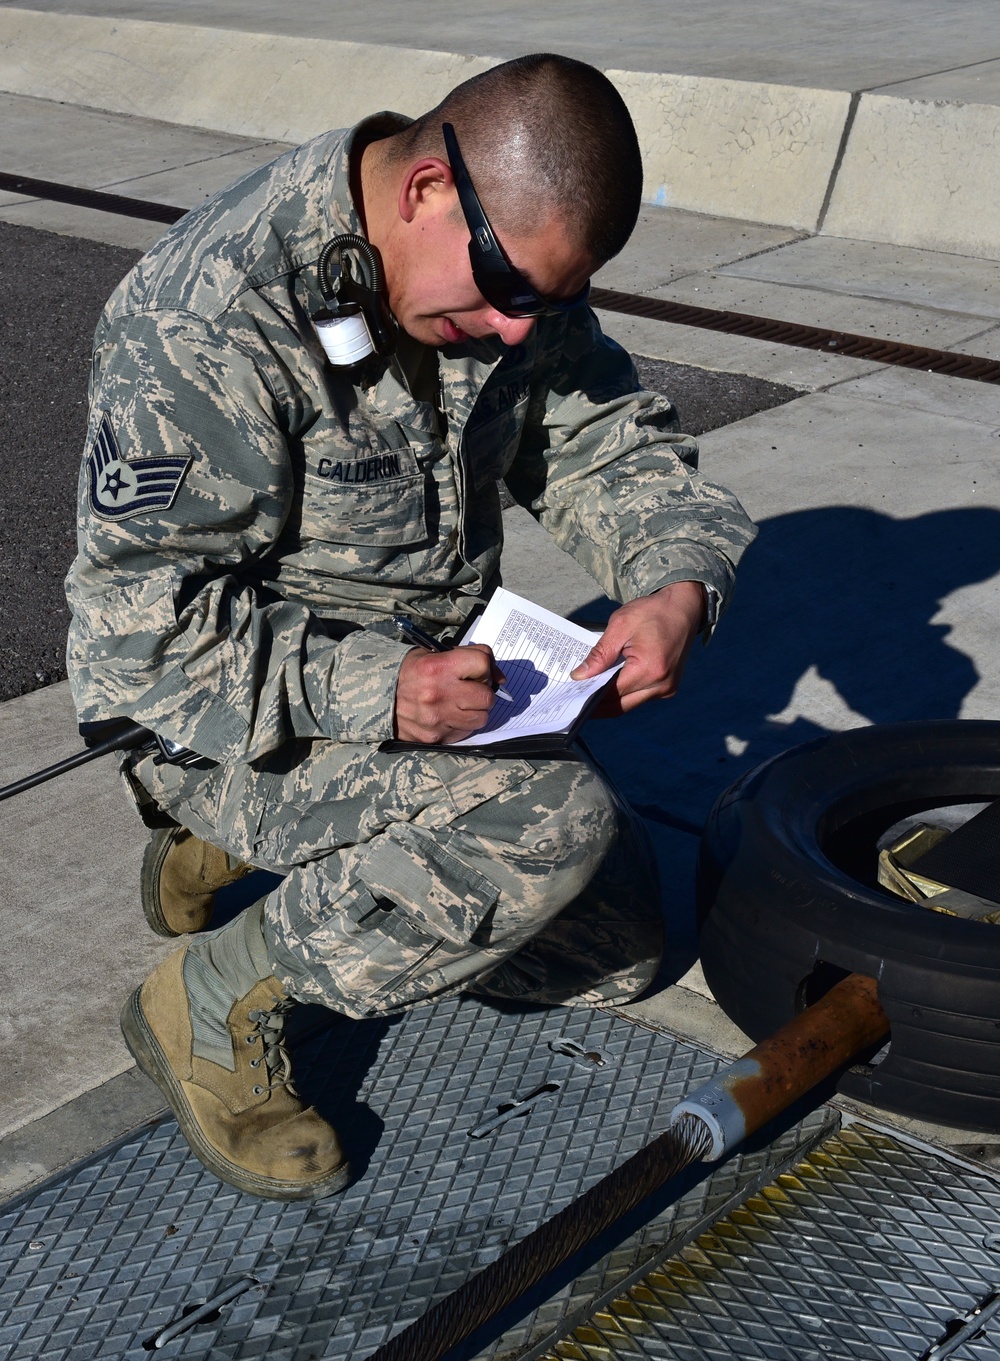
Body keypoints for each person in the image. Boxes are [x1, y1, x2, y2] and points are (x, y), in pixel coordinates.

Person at [66, 53, 756, 1201]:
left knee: (618, 950)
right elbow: (136, 636)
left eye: (540, 300)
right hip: (224, 716)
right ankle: (209, 996)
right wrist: (378, 694)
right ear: (428, 186)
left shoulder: (501, 273)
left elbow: (603, 443)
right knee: (544, 827)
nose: (508, 328)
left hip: (431, 694)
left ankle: (262, 850)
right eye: (499, 292)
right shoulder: (206, 317)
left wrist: (674, 580)